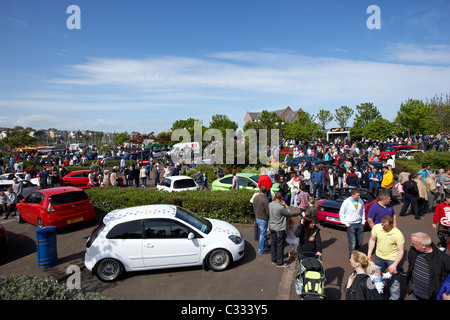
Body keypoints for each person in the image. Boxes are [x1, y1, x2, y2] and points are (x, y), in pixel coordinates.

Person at [367, 215, 404, 300]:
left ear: (391, 224)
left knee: (395, 281)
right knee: (378, 276)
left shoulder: (397, 234)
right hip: (379, 258)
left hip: (392, 259)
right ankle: (380, 293)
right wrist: (369, 253)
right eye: (382, 225)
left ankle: (394, 298)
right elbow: (372, 240)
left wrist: (395, 264)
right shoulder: (377, 228)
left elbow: (401, 251)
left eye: (385, 226)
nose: (383, 227)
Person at [406, 232, 450, 300]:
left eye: (414, 243)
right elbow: (410, 263)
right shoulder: (414, 250)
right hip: (416, 293)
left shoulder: (443, 259)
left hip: (431, 296)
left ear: (424, 246)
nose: (411, 245)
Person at [339, 188, 366, 258]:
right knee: (352, 243)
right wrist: (346, 223)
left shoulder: (360, 201)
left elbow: (363, 211)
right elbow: (341, 213)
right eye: (357, 195)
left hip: (359, 224)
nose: (359, 197)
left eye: (359, 195)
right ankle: (352, 257)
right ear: (353, 195)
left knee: (359, 242)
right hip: (351, 225)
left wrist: (363, 221)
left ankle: (355, 252)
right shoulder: (346, 202)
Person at [269, 191, 293, 267]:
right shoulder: (281, 207)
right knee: (280, 245)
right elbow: (289, 214)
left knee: (273, 243)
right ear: (281, 198)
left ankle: (273, 259)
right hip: (279, 228)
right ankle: (280, 262)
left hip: (272, 227)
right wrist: (286, 205)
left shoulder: (270, 204)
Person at [253, 186, 270, 254]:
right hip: (263, 218)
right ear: (265, 191)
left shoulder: (256, 197)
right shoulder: (265, 199)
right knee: (262, 234)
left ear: (259, 190)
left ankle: (265, 245)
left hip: (257, 217)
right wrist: (269, 217)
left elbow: (254, 206)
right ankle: (261, 249)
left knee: (263, 233)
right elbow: (267, 211)